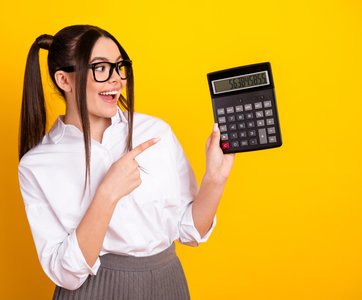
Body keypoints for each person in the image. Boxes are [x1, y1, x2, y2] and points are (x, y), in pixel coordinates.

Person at [18, 25, 235, 300]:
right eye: (100, 68)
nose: (117, 80)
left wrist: (215, 179)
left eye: (119, 66)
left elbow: (190, 230)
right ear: (64, 80)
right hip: (93, 291)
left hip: (168, 284)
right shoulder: (37, 165)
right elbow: (66, 274)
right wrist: (107, 193)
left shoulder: (156, 132)